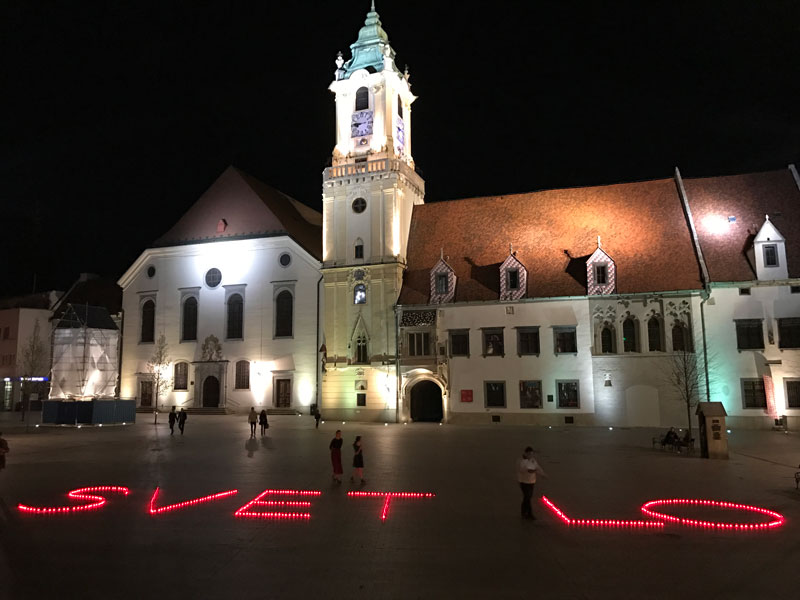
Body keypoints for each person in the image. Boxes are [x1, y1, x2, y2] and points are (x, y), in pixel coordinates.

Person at [517, 446, 546, 520]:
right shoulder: (521, 461)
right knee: (527, 497)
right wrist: (534, 471)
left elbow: (537, 467)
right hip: (524, 482)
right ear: (525, 453)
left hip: (531, 482)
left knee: (527, 497)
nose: (530, 455)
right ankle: (529, 514)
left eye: (532, 454)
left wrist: (542, 474)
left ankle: (523, 512)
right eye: (529, 454)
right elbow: (526, 470)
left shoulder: (532, 460)